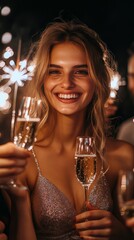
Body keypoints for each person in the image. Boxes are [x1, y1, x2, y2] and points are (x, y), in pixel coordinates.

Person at [0, 18, 134, 240]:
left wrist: (122, 235)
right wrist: (20, 199)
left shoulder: (124, 156)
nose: (67, 83)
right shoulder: (22, 160)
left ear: (97, 80)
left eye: (81, 72)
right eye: (55, 72)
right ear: (43, 79)